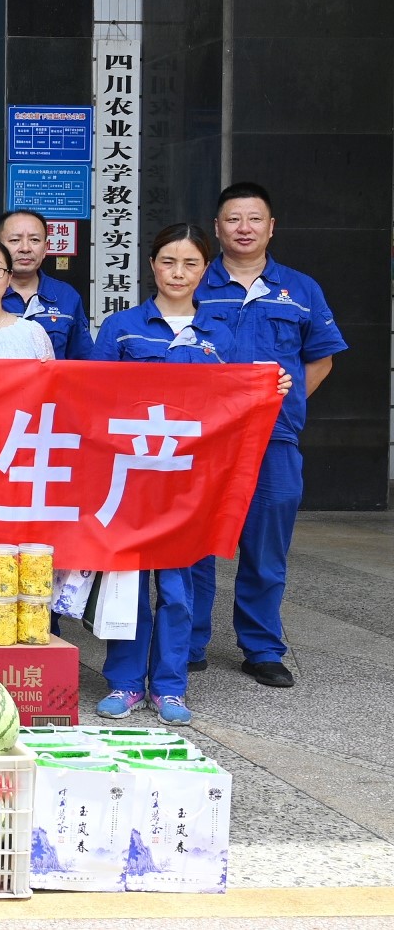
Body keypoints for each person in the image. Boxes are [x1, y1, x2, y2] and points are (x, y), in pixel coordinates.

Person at [90, 224, 293, 725]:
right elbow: (91, 395)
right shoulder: (122, 327)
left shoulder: (221, 332)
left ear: (205, 270)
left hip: (191, 483)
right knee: (127, 585)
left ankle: (171, 687)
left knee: (181, 588)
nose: (178, 273)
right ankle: (124, 682)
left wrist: (273, 386)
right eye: (168, 261)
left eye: (190, 264)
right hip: (132, 480)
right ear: (151, 265)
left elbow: (240, 396)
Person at [189, 182, 348, 688]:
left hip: (273, 438)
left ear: (271, 227)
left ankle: (261, 648)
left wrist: (282, 402)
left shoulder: (300, 289)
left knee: (266, 546)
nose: (244, 228)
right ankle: (188, 642)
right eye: (233, 219)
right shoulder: (195, 282)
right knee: (195, 542)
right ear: (217, 228)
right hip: (202, 438)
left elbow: (320, 359)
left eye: (254, 219)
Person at [0, 209, 91, 358]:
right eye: (15, 240)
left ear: (45, 248)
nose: (25, 248)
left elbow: (82, 360)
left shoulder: (66, 296)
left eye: (34, 240)